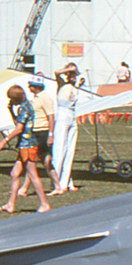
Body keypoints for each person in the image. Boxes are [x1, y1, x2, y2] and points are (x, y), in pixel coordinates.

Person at [0, 85, 50, 213]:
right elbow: (19, 123)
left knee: (33, 174)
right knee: (15, 174)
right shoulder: (27, 106)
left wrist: (4, 141)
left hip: (28, 145)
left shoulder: (24, 109)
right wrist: (10, 110)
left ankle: (44, 204)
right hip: (24, 144)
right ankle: (10, 204)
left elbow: (18, 129)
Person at [50, 64, 81, 195]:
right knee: (59, 149)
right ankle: (56, 182)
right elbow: (56, 72)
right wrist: (69, 70)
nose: (73, 77)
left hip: (72, 115)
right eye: (71, 75)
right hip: (62, 114)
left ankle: (66, 182)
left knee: (70, 150)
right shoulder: (62, 83)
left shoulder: (75, 87)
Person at [26, 76, 55, 194]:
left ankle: (56, 183)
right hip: (35, 129)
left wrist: (50, 134)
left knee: (40, 158)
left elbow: (51, 116)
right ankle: (56, 183)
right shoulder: (35, 98)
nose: (29, 88)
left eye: (30, 86)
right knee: (39, 158)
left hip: (42, 130)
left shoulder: (45, 98)